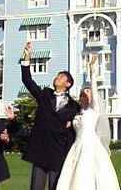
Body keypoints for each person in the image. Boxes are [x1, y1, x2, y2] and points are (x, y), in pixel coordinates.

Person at [20, 42, 80, 190]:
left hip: (58, 154)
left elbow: (77, 128)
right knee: (36, 187)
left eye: (61, 77)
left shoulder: (74, 106)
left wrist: (71, 125)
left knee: (57, 186)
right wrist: (27, 56)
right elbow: (27, 81)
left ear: (68, 83)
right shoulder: (45, 95)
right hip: (40, 150)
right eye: (57, 76)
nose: (57, 78)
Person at [56, 55, 120, 190]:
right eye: (84, 92)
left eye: (88, 92)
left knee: (90, 175)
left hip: (91, 146)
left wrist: (92, 71)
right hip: (77, 146)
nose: (86, 94)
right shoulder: (76, 114)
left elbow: (95, 91)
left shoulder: (94, 110)